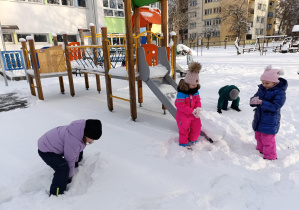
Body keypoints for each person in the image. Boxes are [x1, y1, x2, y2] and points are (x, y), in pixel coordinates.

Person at [38, 119, 102, 196]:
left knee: (78, 152)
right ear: (86, 134)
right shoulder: (73, 140)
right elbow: (69, 159)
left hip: (54, 145)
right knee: (63, 168)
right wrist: (69, 177)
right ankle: (56, 194)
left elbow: (76, 150)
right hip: (46, 151)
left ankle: (74, 164)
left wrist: (75, 163)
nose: (92, 141)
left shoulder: (79, 129)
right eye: (92, 138)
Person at [250, 65, 287, 160]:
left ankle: (270, 156)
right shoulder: (262, 89)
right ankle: (260, 150)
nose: (264, 84)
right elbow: (255, 97)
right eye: (262, 82)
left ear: (275, 83)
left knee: (267, 139)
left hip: (270, 120)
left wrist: (262, 103)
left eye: (267, 83)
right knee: (258, 136)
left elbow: (276, 106)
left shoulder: (279, 92)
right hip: (259, 118)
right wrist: (253, 101)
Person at [175, 62, 202, 147]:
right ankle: (184, 144)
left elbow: (198, 100)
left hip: (194, 115)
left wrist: (198, 108)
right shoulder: (181, 93)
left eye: (196, 84)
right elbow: (180, 105)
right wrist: (191, 111)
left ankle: (193, 140)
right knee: (184, 130)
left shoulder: (195, 91)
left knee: (197, 128)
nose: (195, 86)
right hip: (183, 116)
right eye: (193, 85)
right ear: (187, 83)